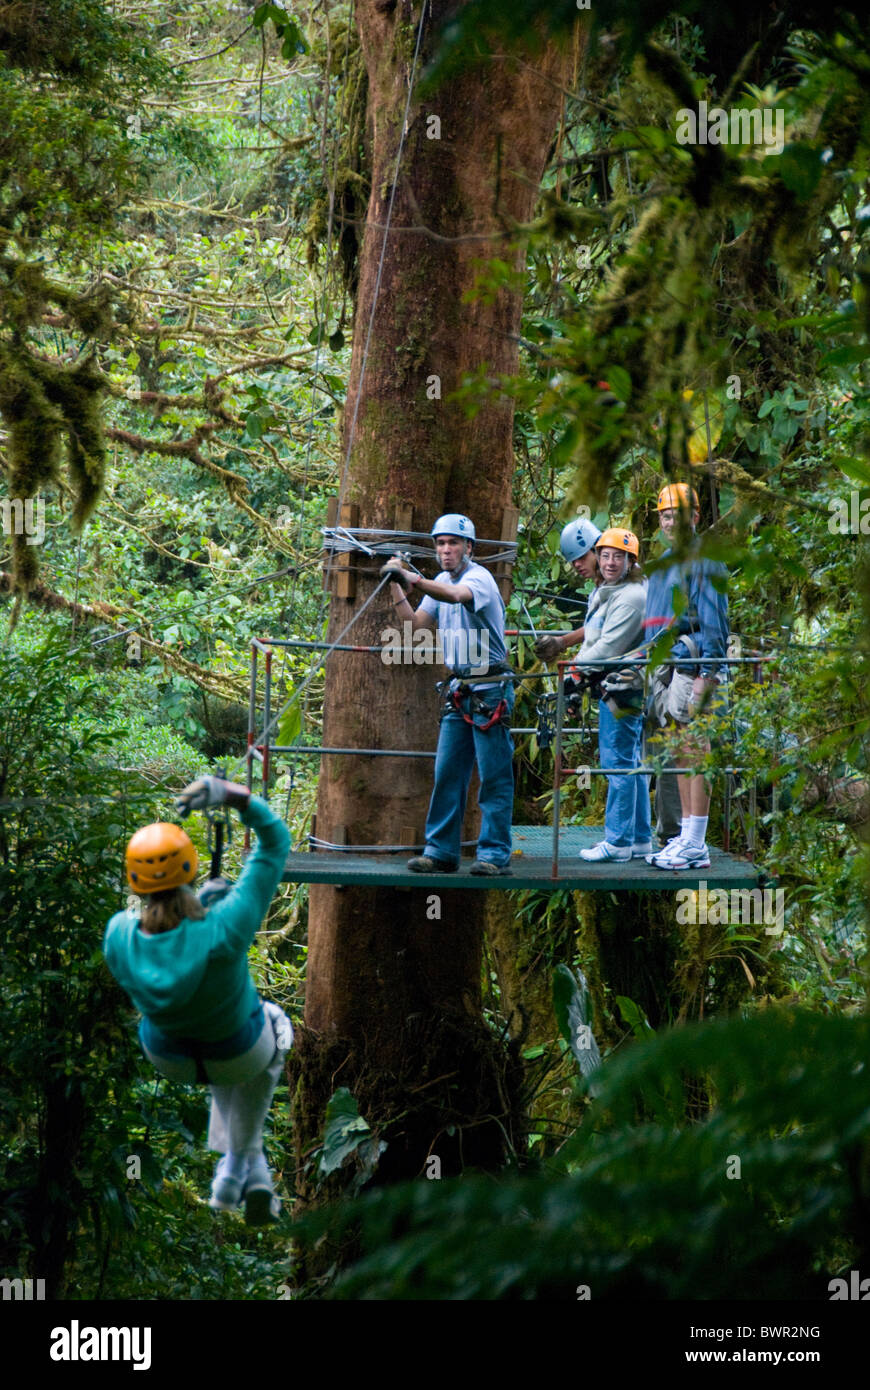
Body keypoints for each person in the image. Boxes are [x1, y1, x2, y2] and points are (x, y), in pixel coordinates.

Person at [103, 776, 293, 1224]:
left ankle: (240, 1175)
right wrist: (233, 795)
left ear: (134, 879)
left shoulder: (118, 935)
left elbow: (161, 935)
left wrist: (201, 908)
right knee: (275, 1024)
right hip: (238, 1052)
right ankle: (240, 1161)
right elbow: (274, 843)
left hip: (167, 1056)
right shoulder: (226, 928)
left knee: (222, 1051)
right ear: (190, 867)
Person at [381, 513, 515, 876]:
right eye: (440, 544)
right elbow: (415, 625)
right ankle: (440, 851)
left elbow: (457, 596)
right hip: (460, 689)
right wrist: (396, 584)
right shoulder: (439, 580)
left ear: (468, 548)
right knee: (447, 773)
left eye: (453, 543)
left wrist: (414, 578)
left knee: (493, 776)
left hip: (490, 688)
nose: (445, 550)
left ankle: (494, 855)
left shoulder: (479, 579)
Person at [643, 484, 729, 870]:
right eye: (665, 515)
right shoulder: (664, 561)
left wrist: (708, 674)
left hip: (695, 665)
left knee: (696, 746)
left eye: (678, 514)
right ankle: (685, 836)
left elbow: (715, 622)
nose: (671, 521)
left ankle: (697, 841)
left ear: (695, 517)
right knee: (679, 747)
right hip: (669, 667)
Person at [569, 528, 651, 862]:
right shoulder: (610, 591)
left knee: (618, 762)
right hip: (614, 684)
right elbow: (595, 638)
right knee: (631, 761)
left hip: (624, 686)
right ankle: (641, 838)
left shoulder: (631, 597)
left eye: (619, 556)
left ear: (631, 561)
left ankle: (618, 841)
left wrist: (574, 670)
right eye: (605, 555)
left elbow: (607, 646)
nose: (610, 562)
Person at [533, 516, 602, 663]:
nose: (577, 565)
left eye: (582, 557)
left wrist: (562, 642)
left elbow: (600, 627)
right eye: (573, 561)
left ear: (596, 549)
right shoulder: (598, 587)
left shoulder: (618, 581)